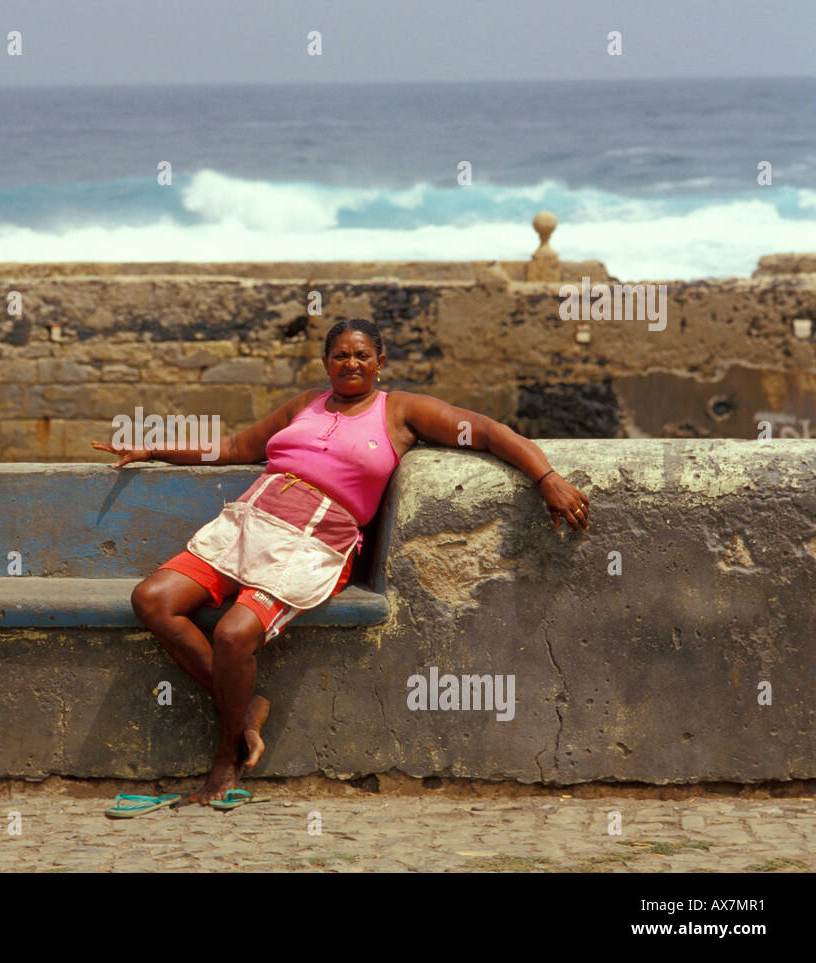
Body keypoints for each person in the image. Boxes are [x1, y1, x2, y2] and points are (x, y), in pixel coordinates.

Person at [92, 318, 590, 803]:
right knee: (153, 599)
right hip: (248, 525)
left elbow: (485, 430)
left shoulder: (400, 411)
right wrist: (153, 449)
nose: (351, 362)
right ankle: (247, 711)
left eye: (361, 355)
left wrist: (545, 478)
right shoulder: (306, 404)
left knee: (232, 635)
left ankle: (227, 751)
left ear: (379, 362)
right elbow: (234, 447)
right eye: (340, 355)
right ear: (326, 362)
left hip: (314, 544)